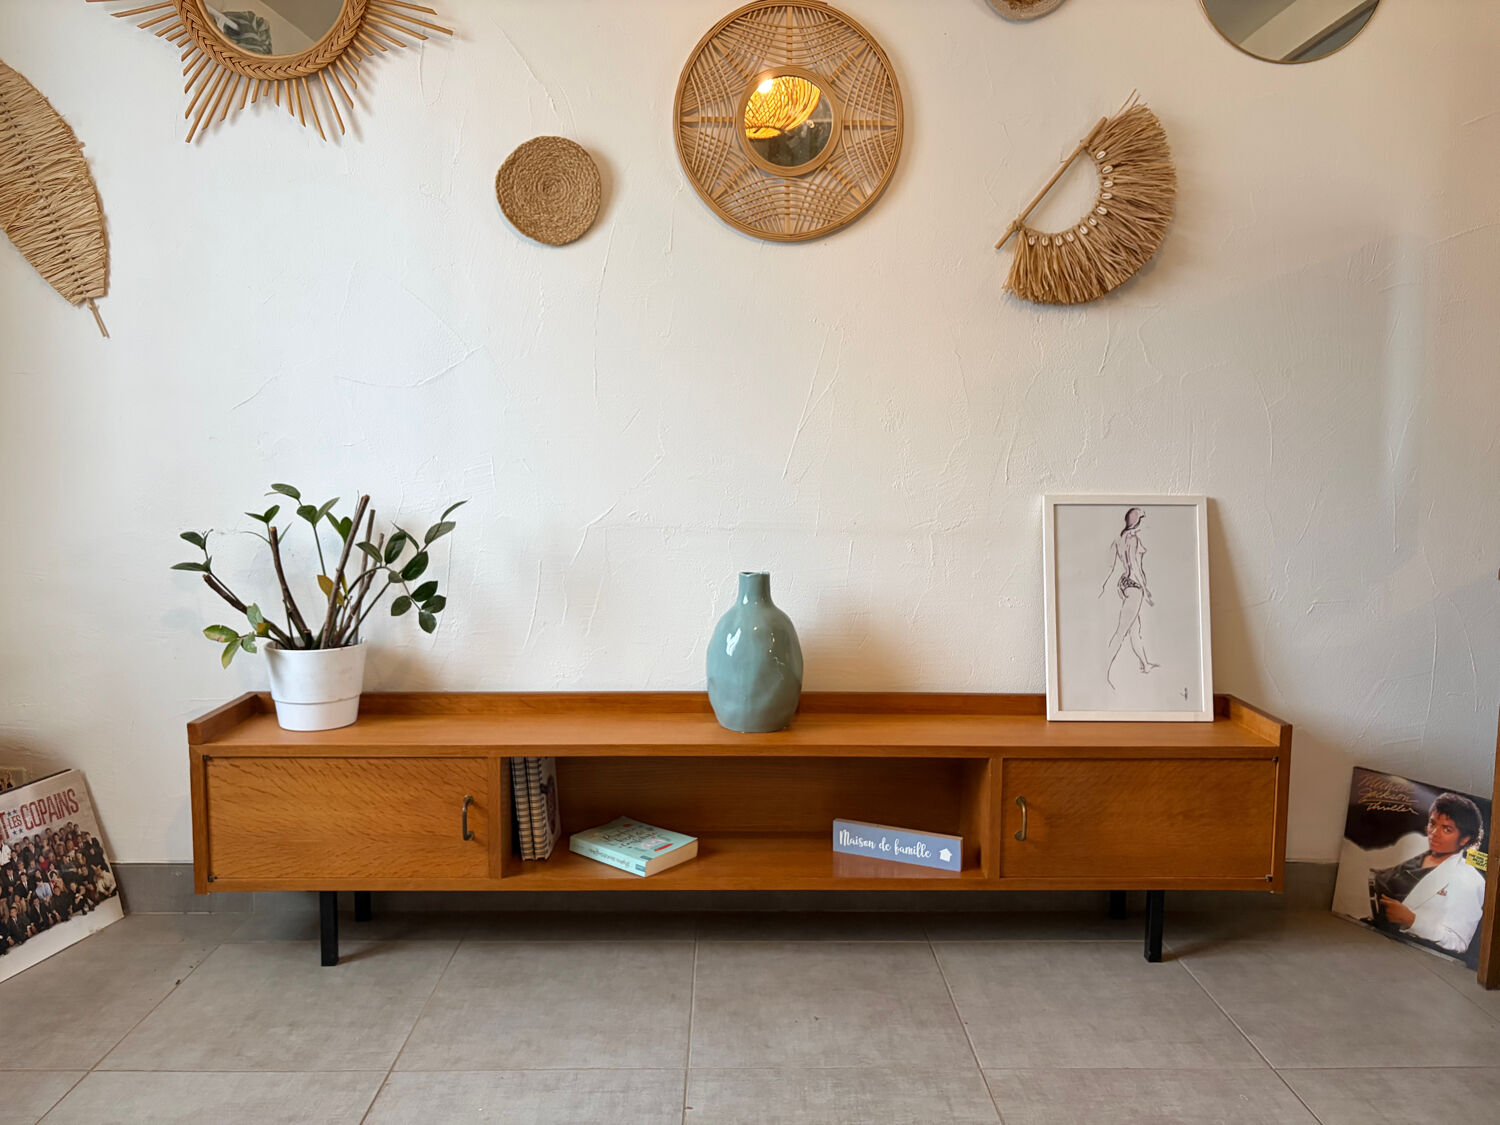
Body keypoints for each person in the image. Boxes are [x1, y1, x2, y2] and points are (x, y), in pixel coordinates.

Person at [1371, 792, 1487, 954]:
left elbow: (1459, 943)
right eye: (1433, 824)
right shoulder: (1412, 848)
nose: (1434, 833)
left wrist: (1412, 921)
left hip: (1409, 952)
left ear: (1465, 839)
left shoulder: (1471, 881)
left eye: (1446, 829)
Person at [1098, 506, 1159, 687]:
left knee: (1134, 629)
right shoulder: (1133, 538)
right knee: (1121, 631)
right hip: (1134, 586)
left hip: (1124, 584)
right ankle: (1103, 672)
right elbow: (1135, 565)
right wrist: (1145, 589)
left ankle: (1145, 664)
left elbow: (1111, 564)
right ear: (1138, 521)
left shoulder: (1120, 538)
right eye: (1142, 519)